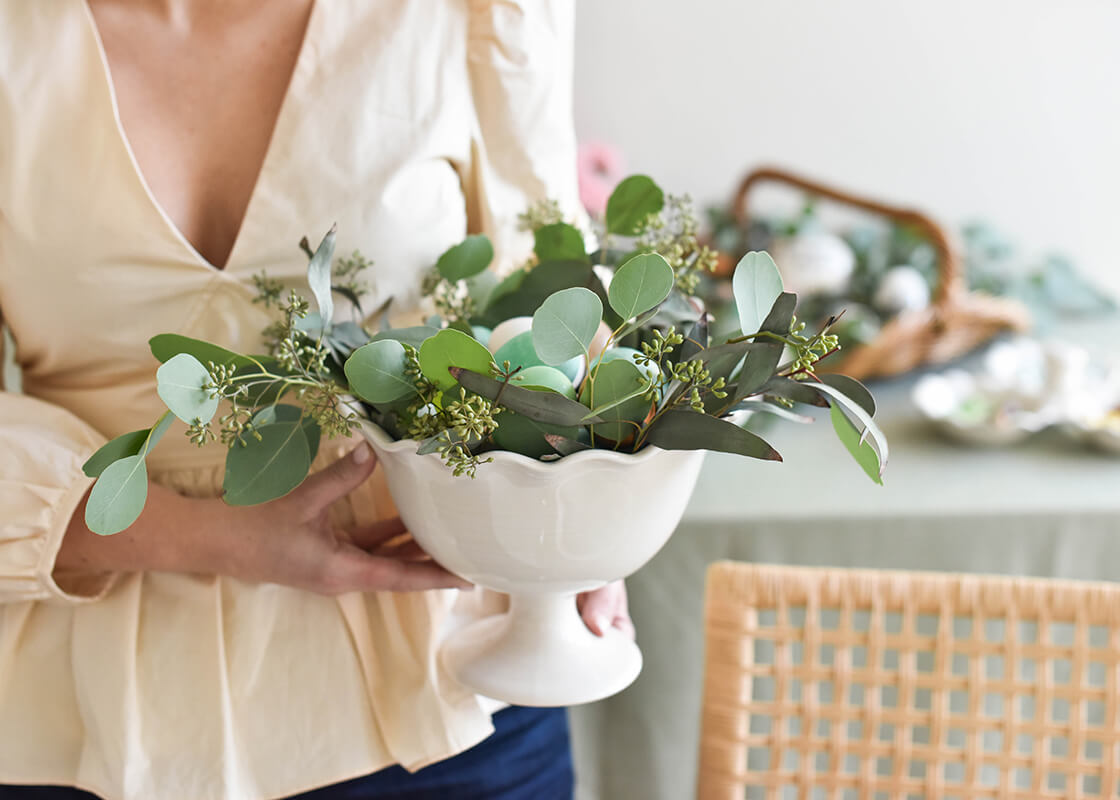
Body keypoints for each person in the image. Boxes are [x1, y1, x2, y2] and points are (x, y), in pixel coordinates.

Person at [0, 2, 632, 798]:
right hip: (83, 717)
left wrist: (591, 483)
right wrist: (208, 535)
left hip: (448, 692)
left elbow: (545, 284)